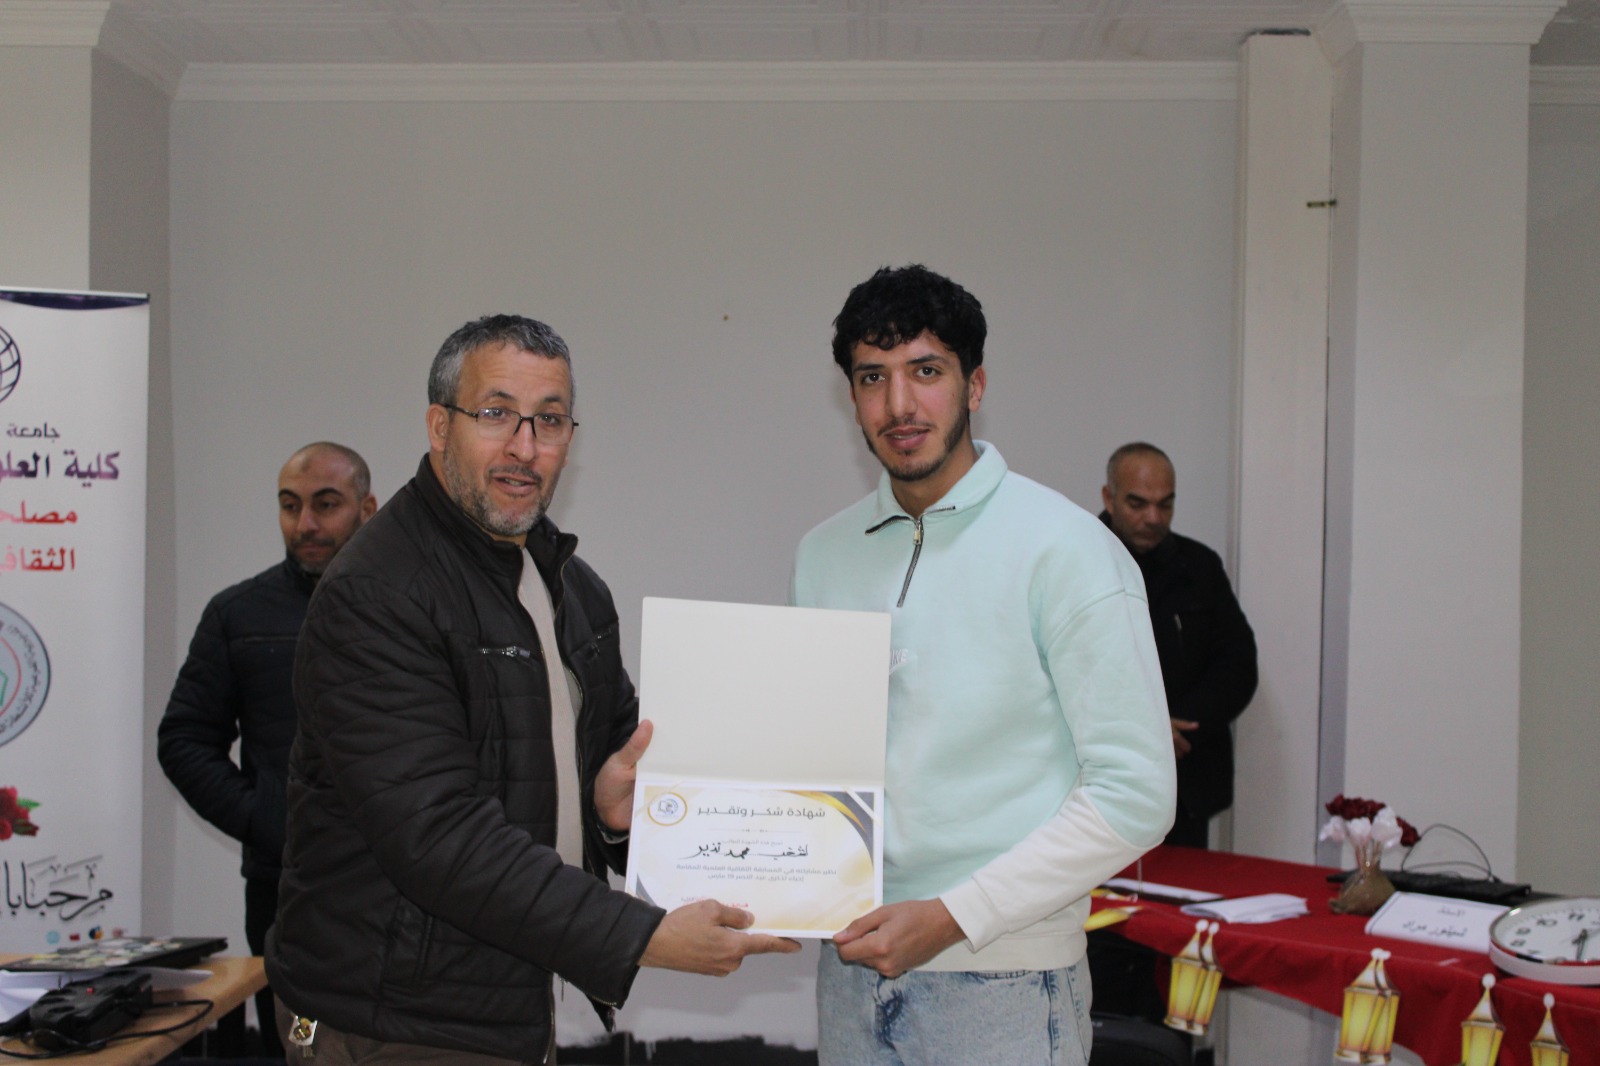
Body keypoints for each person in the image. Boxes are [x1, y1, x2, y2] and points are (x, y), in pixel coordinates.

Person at [266, 315, 796, 1065]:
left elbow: (599, 765)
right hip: (393, 1021)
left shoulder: (573, 589)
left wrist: (610, 812)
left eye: (549, 420)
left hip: (505, 1000)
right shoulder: (377, 591)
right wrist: (641, 936)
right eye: (496, 414)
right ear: (439, 427)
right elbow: (438, 836)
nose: (525, 446)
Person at [790, 265, 1176, 1065]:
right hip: (852, 969)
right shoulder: (822, 554)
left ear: (975, 385)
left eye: (926, 371)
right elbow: (814, 760)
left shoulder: (1066, 548)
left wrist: (954, 916)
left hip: (1005, 979)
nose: (899, 405)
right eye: (873, 378)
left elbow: (1136, 793)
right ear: (850, 397)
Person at [158, 440, 376, 1056]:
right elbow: (184, 740)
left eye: (326, 504)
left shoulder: (416, 607)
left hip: (402, 890)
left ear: (367, 509)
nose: (305, 524)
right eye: (289, 505)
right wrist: (267, 819)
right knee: (299, 1046)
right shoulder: (238, 615)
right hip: (287, 895)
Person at [1099, 442, 1257, 849]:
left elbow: (1237, 665)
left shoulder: (1200, 567)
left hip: (1186, 779)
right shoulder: (1075, 559)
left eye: (1165, 504)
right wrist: (1146, 730)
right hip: (1097, 781)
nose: (1153, 518)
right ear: (1109, 498)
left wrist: (1178, 727)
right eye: (1137, 503)